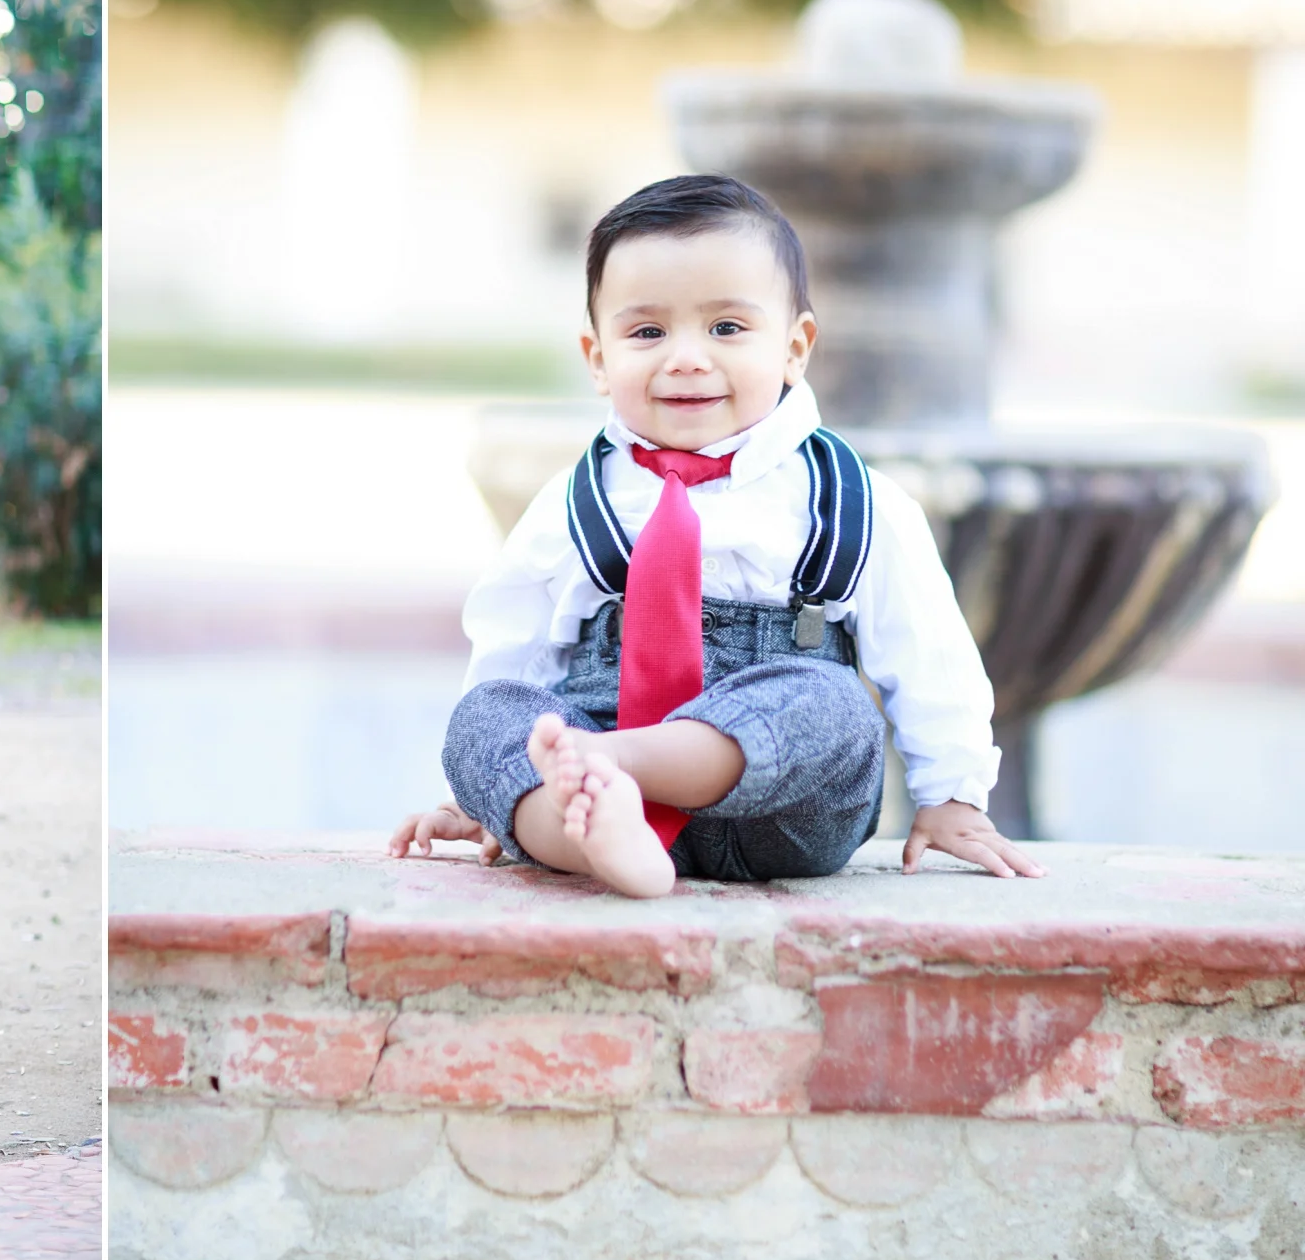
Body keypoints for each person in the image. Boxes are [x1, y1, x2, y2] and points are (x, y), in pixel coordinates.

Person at [389, 173, 1047, 899]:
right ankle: (599, 835)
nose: (686, 357)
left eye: (726, 328)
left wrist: (952, 793)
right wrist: (487, 793)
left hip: (782, 813)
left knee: (836, 706)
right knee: (485, 713)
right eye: (647, 332)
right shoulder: (574, 503)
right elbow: (514, 642)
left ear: (795, 347)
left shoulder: (852, 500)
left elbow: (930, 650)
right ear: (599, 358)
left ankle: (614, 765)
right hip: (597, 763)